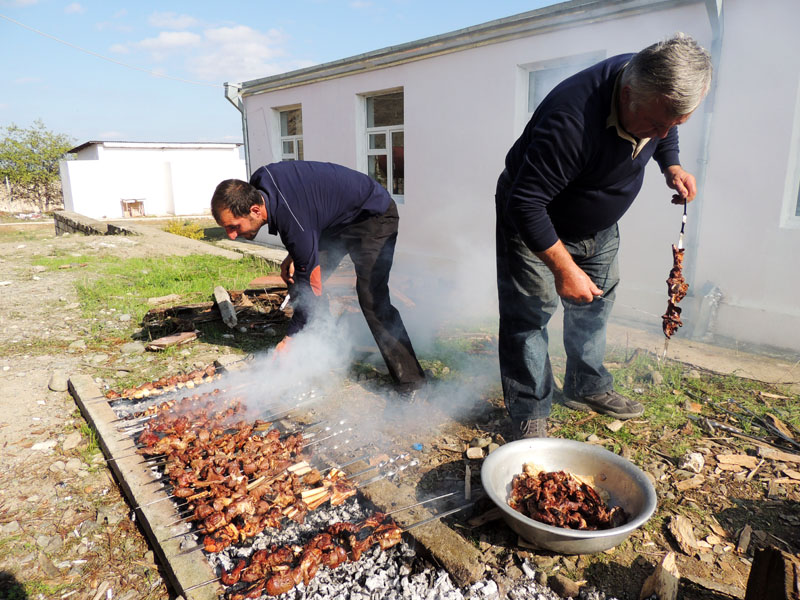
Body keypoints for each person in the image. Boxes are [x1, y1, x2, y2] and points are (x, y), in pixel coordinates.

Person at [495, 34, 712, 439]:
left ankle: (587, 384)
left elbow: (666, 126)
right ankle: (530, 410)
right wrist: (564, 269)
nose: (663, 133)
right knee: (529, 314)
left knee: (595, 307)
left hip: (599, 223)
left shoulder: (654, 89)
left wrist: (672, 166)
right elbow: (526, 205)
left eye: (674, 124)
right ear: (627, 95)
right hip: (536, 220)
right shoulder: (570, 119)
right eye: (657, 123)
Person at [211, 160, 426, 399]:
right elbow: (307, 213)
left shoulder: (292, 220)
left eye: (233, 227)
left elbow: (309, 288)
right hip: (336, 224)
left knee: (371, 297)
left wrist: (291, 336)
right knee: (294, 274)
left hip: (374, 216)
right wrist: (296, 255)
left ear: (255, 210)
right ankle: (320, 349)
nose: (231, 236)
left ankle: (411, 381)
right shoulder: (260, 186)